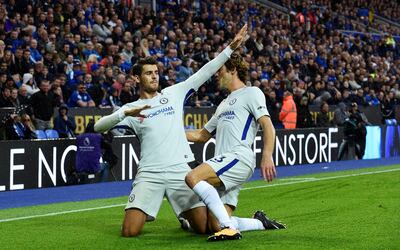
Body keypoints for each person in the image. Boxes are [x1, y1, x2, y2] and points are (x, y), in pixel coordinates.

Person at [94, 25, 248, 237]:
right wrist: (124, 114)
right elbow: (97, 127)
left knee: (204, 228)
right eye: (148, 73)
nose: (154, 77)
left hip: (180, 171)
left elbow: (206, 71)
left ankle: (185, 216)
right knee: (129, 232)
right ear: (137, 78)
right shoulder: (131, 109)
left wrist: (230, 48)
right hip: (150, 173)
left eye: (156, 73)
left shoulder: (174, 93)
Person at [185, 52, 285, 242]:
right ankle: (259, 223)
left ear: (232, 70)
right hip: (225, 164)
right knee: (213, 225)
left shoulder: (252, 92)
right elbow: (201, 135)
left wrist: (267, 155)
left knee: (193, 177)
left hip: (238, 157)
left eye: (220, 70)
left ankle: (230, 229)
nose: (217, 75)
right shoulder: (223, 104)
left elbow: (267, 125)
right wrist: (173, 132)